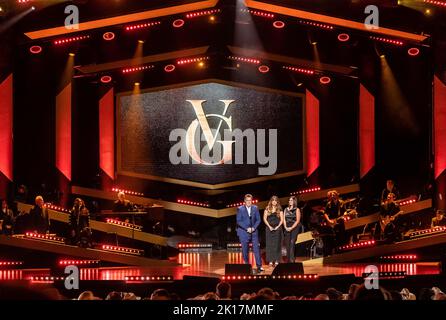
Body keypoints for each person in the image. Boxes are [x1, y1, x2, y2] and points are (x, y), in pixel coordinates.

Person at [236, 194, 263, 273]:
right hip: (243, 232)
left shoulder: (255, 208)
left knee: (256, 249)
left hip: (254, 231)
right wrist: (246, 228)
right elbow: (239, 221)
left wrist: (253, 228)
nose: (249, 202)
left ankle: (259, 266)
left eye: (250, 200)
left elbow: (258, 220)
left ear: (252, 200)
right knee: (245, 249)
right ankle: (246, 265)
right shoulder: (240, 209)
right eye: (247, 200)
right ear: (244, 201)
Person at [263, 196, 283, 266]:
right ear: (271, 201)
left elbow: (282, 220)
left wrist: (278, 227)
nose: (274, 202)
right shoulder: (267, 208)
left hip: (277, 228)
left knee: (277, 244)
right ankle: (271, 260)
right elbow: (264, 219)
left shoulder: (279, 209)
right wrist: (269, 226)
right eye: (273, 200)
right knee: (270, 244)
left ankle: (277, 260)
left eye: (275, 200)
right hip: (269, 228)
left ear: (277, 202)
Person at [283, 196, 301, 263]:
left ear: (294, 201)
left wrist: (291, 228)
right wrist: (285, 227)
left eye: (291, 200)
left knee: (292, 242)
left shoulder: (297, 209)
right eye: (289, 200)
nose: (290, 201)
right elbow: (284, 219)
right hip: (287, 227)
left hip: (294, 227)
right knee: (287, 244)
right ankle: (288, 260)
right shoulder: (285, 209)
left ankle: (292, 260)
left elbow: (297, 221)